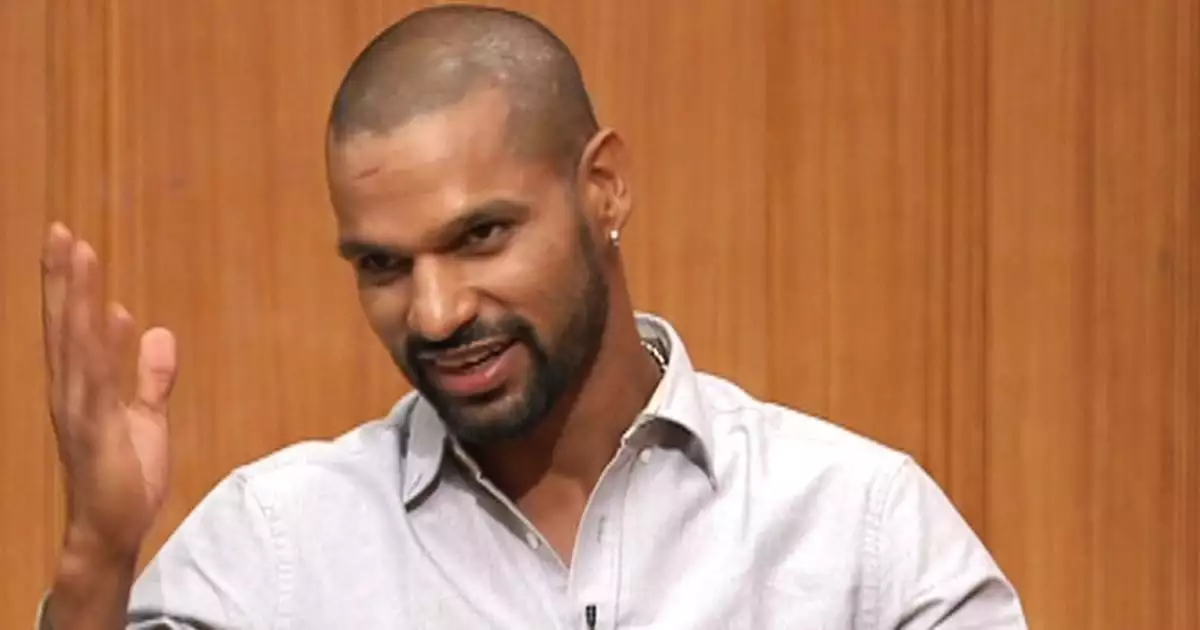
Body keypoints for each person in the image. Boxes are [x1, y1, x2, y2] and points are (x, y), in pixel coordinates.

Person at [37, 5, 1027, 629]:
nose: (435, 314)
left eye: (481, 236)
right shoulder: (277, 549)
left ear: (603, 188)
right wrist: (96, 560)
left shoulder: (860, 535)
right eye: (383, 265)